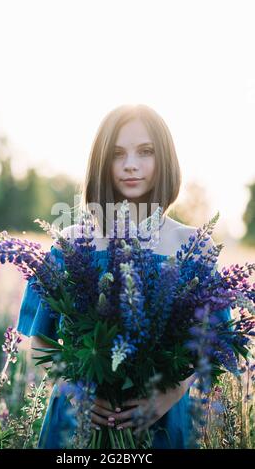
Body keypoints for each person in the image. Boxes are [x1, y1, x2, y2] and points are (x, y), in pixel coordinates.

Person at [16, 104, 231, 448]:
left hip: (158, 423)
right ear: (102, 163)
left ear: (165, 160)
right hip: (76, 426)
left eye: (145, 151)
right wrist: (74, 392)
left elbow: (214, 343)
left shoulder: (194, 246)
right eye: (117, 154)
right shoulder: (70, 243)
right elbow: (40, 341)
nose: (131, 164)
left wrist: (171, 393)